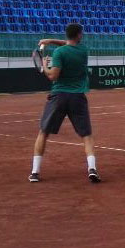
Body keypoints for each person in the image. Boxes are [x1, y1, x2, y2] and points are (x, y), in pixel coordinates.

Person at [29, 23, 101, 183]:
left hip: (59, 96)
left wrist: (44, 66)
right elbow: (68, 44)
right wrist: (50, 41)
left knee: (43, 133)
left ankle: (35, 172)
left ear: (67, 35)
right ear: (79, 35)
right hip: (78, 97)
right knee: (87, 136)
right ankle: (92, 169)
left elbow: (53, 76)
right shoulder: (83, 50)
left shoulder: (59, 53)